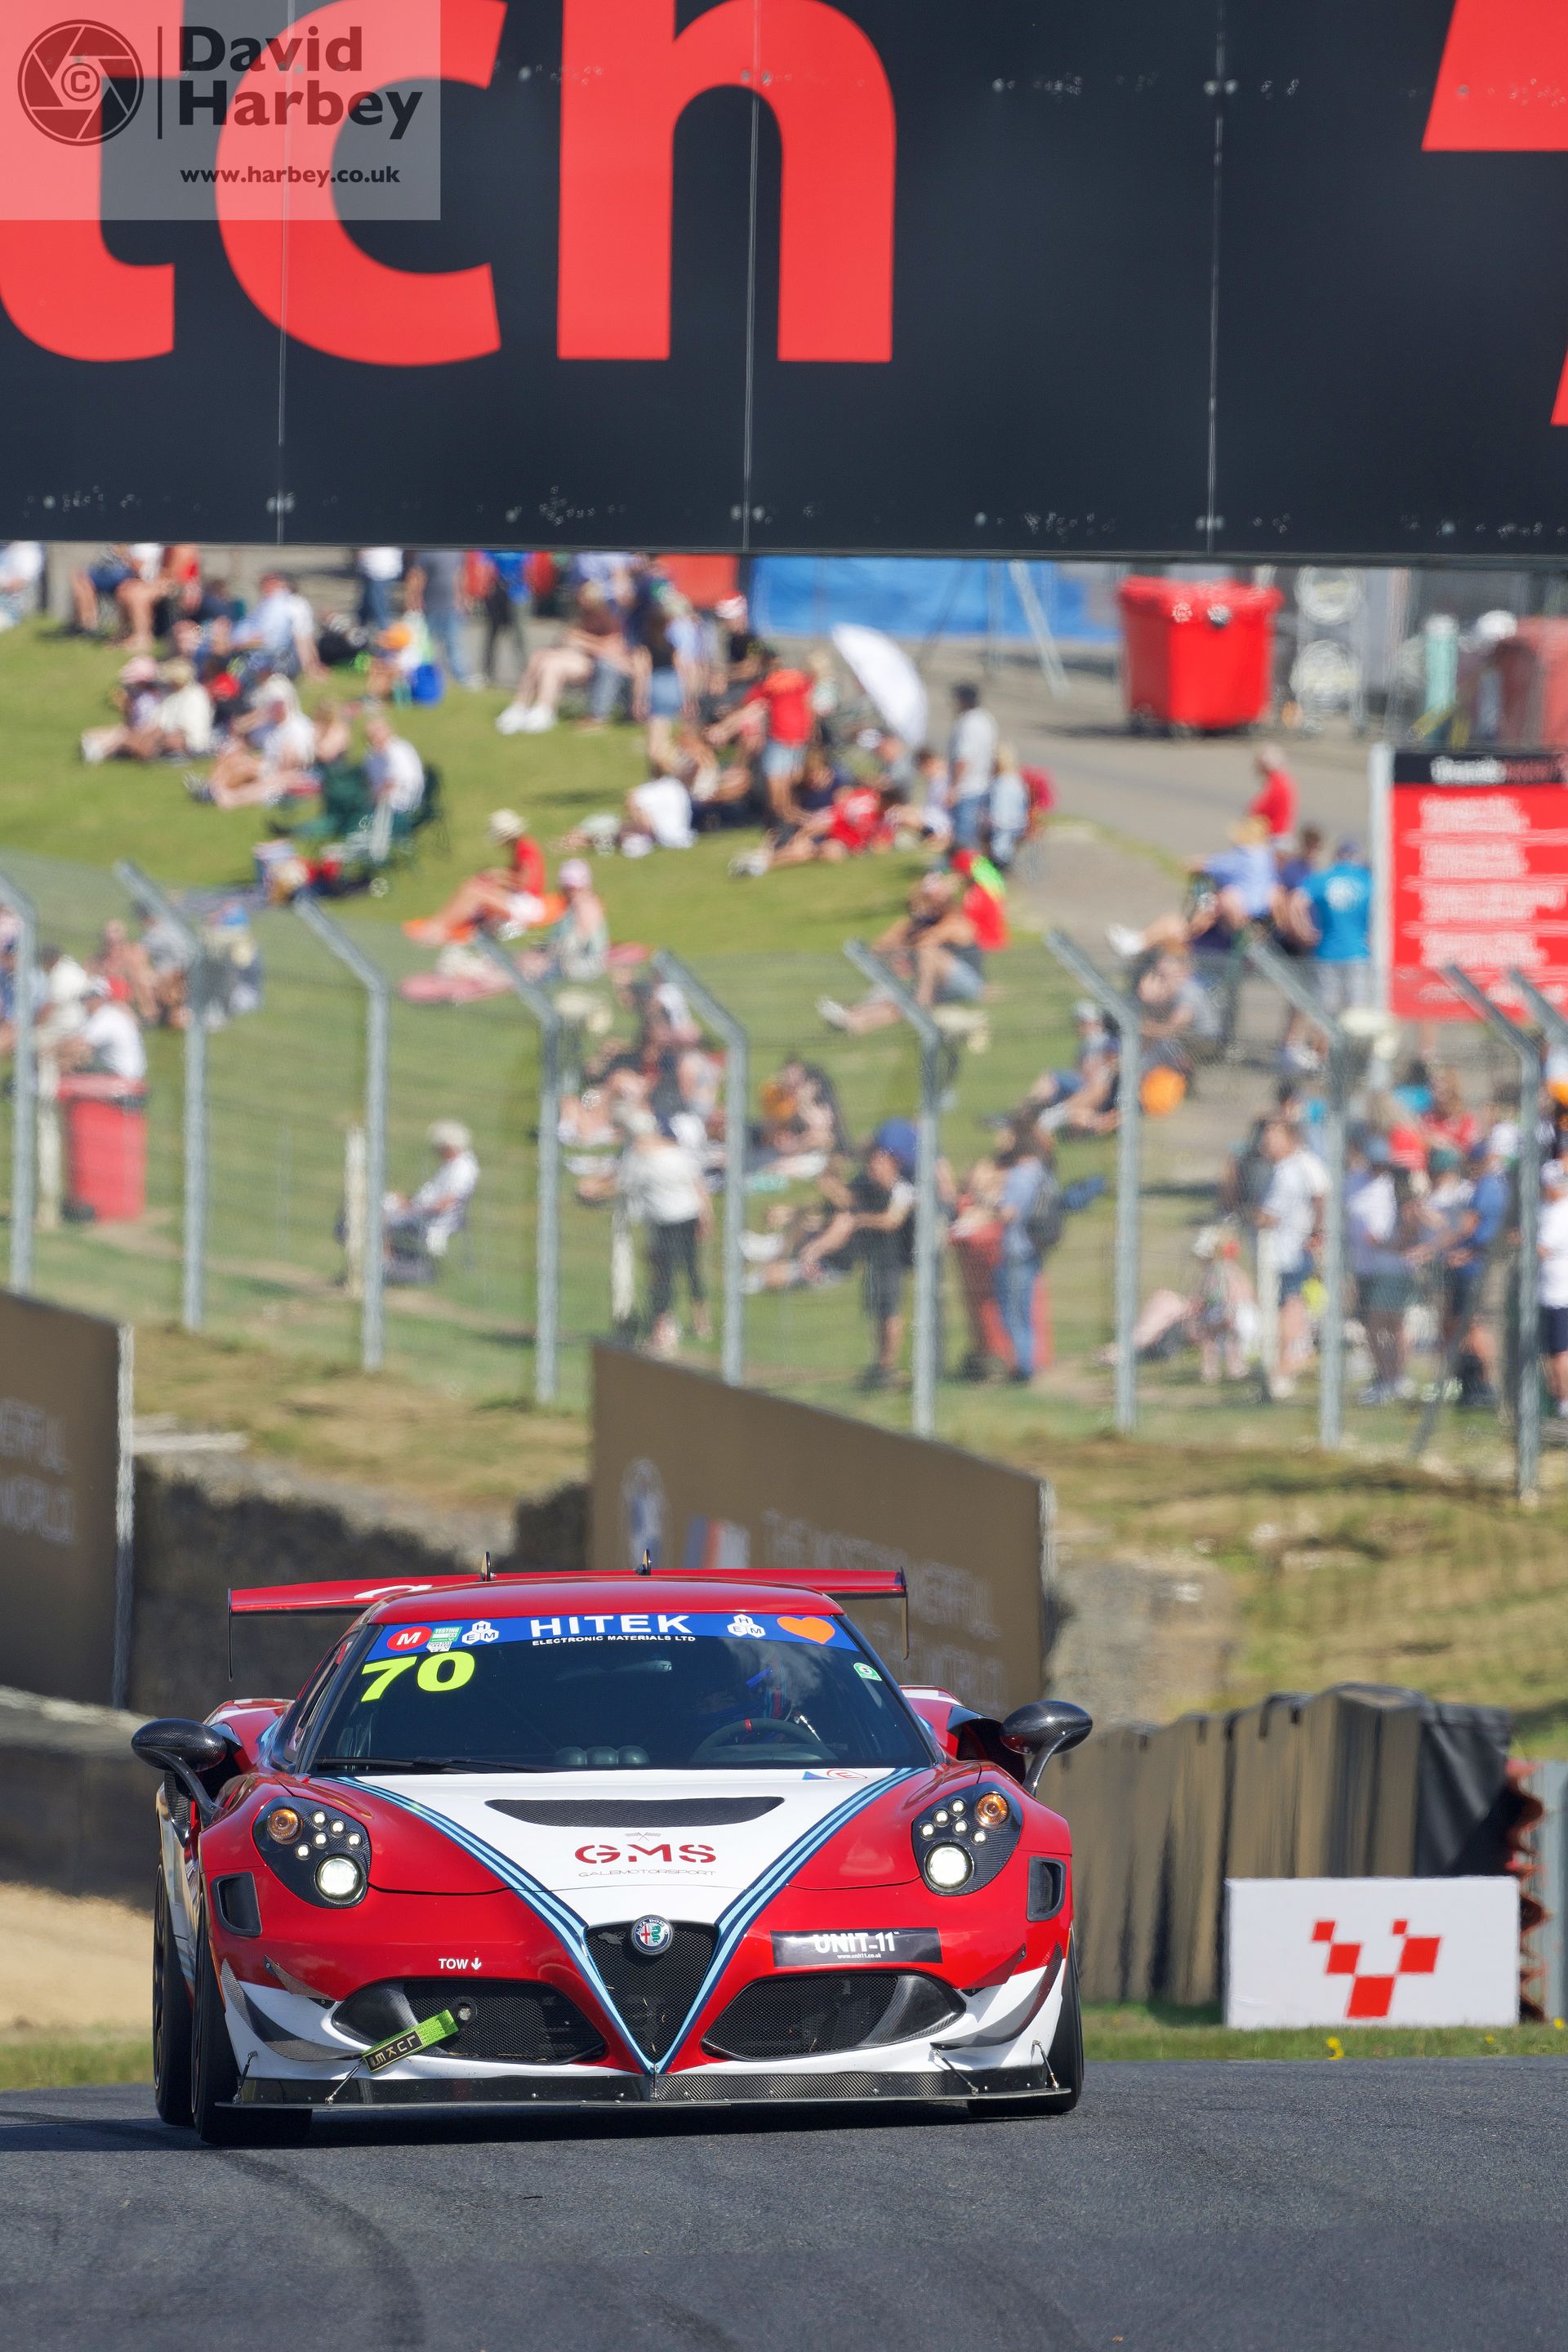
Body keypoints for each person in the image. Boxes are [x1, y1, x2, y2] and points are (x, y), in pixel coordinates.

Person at [817, 871, 985, 1032]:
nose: (926, 904)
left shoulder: (956, 920)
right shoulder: (921, 922)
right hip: (938, 985)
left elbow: (927, 943)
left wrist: (904, 949)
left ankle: (921, 1000)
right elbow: (881, 946)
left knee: (927, 953)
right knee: (901, 1002)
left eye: (931, 899)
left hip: (967, 983)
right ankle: (854, 1020)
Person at [1107, 817, 1276, 960]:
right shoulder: (1266, 859)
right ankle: (1138, 941)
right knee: (1178, 920)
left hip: (1226, 927)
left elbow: (1202, 865)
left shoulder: (1243, 857)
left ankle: (1137, 944)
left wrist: (1190, 865)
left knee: (1177, 923)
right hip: (1250, 920)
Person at [616, 1107, 712, 1356]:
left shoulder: (666, 1152)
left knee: (686, 1270)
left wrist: (705, 1216)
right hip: (661, 1221)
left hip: (683, 1218)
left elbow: (697, 1183)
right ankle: (664, 1326)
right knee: (666, 1273)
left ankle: (696, 1321)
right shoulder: (639, 1155)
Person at [497, 581, 626, 733]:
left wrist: (582, 641)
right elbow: (569, 637)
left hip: (597, 664)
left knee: (552, 665)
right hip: (578, 656)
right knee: (539, 656)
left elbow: (611, 650)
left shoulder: (608, 619)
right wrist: (572, 639)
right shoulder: (583, 615)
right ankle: (520, 706)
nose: (582, 601)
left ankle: (545, 709)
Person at [1256, 1117, 1327, 1394]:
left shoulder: (1304, 1164)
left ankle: (1287, 1364)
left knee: (1290, 1304)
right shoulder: (1280, 1168)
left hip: (1293, 1250)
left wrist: (1315, 1232)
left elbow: (1321, 1196)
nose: (1267, 1142)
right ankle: (1283, 1362)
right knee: (1282, 1305)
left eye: (1273, 1136)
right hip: (1277, 1252)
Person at [993, 1124, 1058, 1384]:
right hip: (1037, 1247)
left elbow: (1008, 1213)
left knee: (1012, 1310)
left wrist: (992, 1207)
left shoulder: (1018, 1176)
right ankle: (1030, 1359)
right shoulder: (1045, 1176)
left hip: (1016, 1247)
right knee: (1027, 1307)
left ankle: (1022, 1367)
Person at [383, 1120, 479, 1280]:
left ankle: (386, 1266)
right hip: (422, 1210)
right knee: (386, 1202)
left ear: (448, 1147)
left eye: (438, 1148)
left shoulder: (463, 1169)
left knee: (382, 1216)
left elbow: (445, 1205)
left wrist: (412, 1209)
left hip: (433, 1218)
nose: (436, 1152)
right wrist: (409, 1202)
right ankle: (386, 1263)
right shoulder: (452, 1166)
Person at [1297, 837, 1372, 1013]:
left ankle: (1325, 1042)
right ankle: (1349, 1042)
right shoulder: (1366, 880)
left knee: (1326, 1010)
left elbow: (1297, 903)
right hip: (1358, 951)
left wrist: (1304, 930)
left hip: (1326, 951)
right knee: (1356, 1010)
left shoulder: (1323, 878)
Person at [948, 682, 998, 849]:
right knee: (976, 834)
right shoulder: (986, 719)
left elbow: (963, 758)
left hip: (967, 787)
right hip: (983, 784)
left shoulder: (967, 723)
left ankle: (964, 869)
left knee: (964, 837)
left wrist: (954, 786)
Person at [1539, 1160, 1568, 1419]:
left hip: (1561, 1294)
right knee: (1551, 1352)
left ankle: (1564, 1402)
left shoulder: (1561, 1212)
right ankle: (1557, 1399)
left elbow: (1542, 1249)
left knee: (1561, 1352)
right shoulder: (1548, 1209)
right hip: (1548, 1293)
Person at [988, 746, 1030, 869]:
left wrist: (990, 821)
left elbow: (999, 809)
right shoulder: (1016, 780)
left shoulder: (1001, 783)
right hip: (1016, 823)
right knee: (1007, 851)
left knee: (999, 855)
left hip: (1002, 825)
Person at [1249, 743, 1298, 842]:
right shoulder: (1283, 780)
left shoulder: (1276, 784)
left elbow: (1261, 812)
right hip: (1280, 834)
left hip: (1273, 836)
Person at [354, 548, 403, 633]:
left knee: (378, 606)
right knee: (366, 604)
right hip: (378, 569)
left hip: (378, 570)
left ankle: (385, 633)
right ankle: (360, 630)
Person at [0, 540, 42, 628]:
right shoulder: (4, 548)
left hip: (11, 608)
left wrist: (4, 583)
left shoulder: (28, 549)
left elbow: (19, 584)